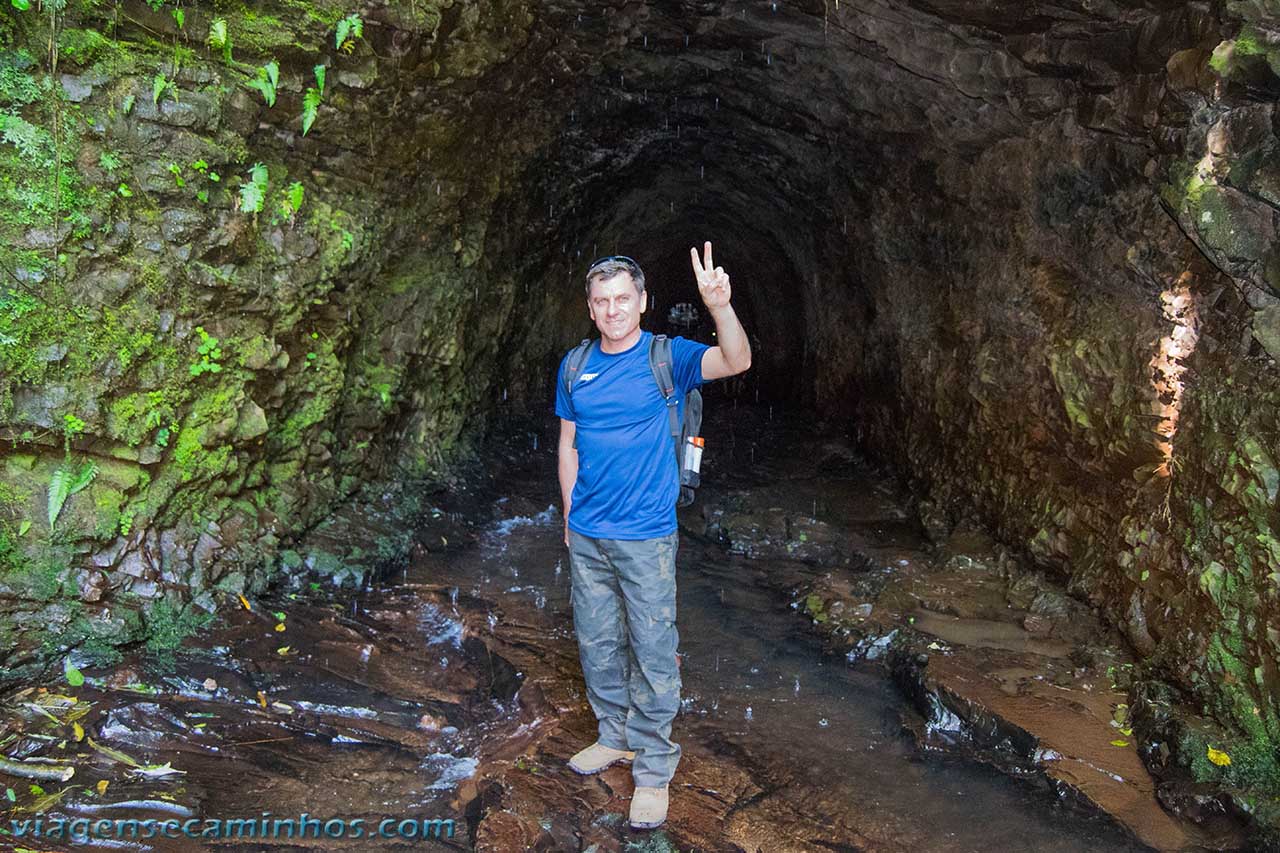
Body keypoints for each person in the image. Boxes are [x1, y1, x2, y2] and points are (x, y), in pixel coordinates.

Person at [554, 242, 752, 830]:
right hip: (587, 532)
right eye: (601, 301)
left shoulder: (669, 358)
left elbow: (736, 361)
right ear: (591, 309)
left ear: (642, 302)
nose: (612, 309)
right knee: (596, 641)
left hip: (645, 534)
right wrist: (569, 516)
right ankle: (613, 736)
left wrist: (721, 307)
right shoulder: (574, 366)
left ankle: (654, 768)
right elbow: (568, 445)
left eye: (623, 299)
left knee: (653, 650)